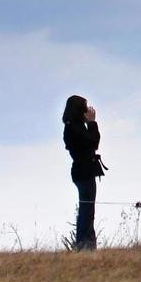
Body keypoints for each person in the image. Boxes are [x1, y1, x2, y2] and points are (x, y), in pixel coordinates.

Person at [62, 94, 104, 251]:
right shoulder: (75, 128)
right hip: (85, 172)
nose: (88, 111)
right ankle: (86, 246)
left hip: (82, 172)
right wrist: (93, 123)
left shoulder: (72, 126)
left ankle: (85, 244)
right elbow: (93, 142)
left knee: (86, 208)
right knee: (87, 209)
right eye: (85, 108)